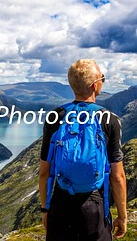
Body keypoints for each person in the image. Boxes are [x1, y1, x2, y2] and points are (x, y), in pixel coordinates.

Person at [39, 59, 127, 241]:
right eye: (103, 78)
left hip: (61, 203)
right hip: (94, 206)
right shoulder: (109, 120)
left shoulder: (55, 116)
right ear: (95, 85)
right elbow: (117, 176)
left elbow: (44, 172)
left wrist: (45, 209)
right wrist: (122, 216)